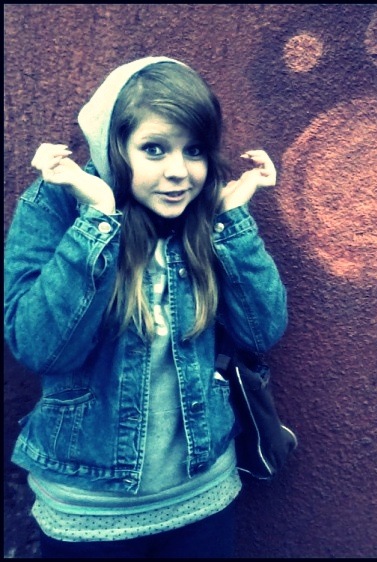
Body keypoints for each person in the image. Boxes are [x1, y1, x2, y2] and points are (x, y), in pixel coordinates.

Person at [4, 56, 288, 558]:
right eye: (154, 149)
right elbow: (40, 348)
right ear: (114, 148)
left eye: (193, 150)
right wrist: (97, 220)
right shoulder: (56, 204)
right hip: (88, 512)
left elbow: (262, 331)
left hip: (202, 498)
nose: (178, 172)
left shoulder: (206, 217)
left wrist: (232, 219)